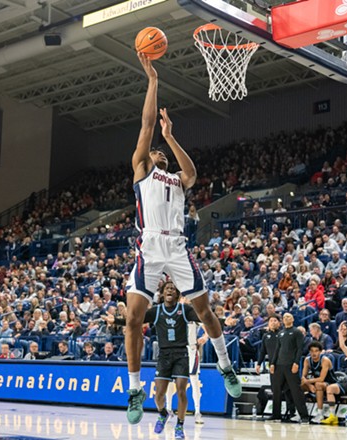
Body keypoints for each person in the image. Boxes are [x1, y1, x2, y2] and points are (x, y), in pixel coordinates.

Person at [123, 52, 240, 425]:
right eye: (155, 148)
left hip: (176, 247)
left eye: (160, 151)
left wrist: (171, 137)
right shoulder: (142, 171)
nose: (156, 151)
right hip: (149, 248)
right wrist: (153, 80)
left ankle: (224, 365)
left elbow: (192, 171)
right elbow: (145, 126)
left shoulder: (176, 178)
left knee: (204, 311)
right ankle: (134, 389)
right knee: (132, 321)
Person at [108, 281, 200, 438]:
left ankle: (180, 425)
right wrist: (116, 320)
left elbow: (205, 317)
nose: (170, 290)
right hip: (164, 355)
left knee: (181, 391)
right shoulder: (156, 311)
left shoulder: (184, 309)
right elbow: (135, 320)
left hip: (181, 354)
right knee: (159, 395)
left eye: (173, 288)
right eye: (167, 288)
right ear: (163, 293)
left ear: (177, 294)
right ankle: (163, 414)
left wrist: (222, 322)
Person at [268, 313, 309, 424]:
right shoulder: (280, 333)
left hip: (291, 365)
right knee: (276, 391)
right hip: (279, 365)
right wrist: (272, 363)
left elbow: (300, 349)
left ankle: (304, 416)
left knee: (296, 391)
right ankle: (276, 415)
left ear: (293, 319)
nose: (286, 318)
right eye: (284, 317)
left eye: (289, 317)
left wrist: (296, 363)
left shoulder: (297, 332)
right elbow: (277, 349)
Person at [165, 312, 205, 424]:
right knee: (170, 382)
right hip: (176, 350)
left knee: (194, 381)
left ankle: (197, 412)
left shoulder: (192, 313)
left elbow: (206, 325)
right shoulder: (171, 314)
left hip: (191, 349)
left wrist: (205, 336)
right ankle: (168, 410)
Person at [303, 341, 336, 424]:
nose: (314, 353)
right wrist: (309, 385)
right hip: (315, 382)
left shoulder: (325, 360)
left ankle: (320, 413)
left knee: (318, 385)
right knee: (300, 385)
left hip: (330, 383)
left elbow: (321, 378)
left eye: (316, 351)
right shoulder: (307, 360)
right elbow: (303, 377)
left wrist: (309, 382)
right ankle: (300, 412)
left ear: (321, 351)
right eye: (311, 351)